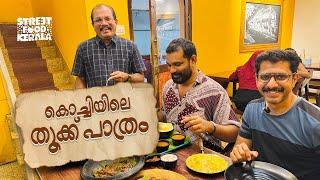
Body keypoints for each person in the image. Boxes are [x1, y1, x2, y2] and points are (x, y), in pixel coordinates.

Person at [230, 50, 320, 179]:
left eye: (281, 76)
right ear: (256, 78)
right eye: (265, 77)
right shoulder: (251, 109)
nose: (271, 84)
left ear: (294, 79)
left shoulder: (315, 122)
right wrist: (239, 154)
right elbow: (240, 148)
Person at [158, 38, 240, 152]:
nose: (171, 70)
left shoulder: (214, 91)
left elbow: (235, 133)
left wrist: (210, 127)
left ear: (193, 60)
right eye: (169, 65)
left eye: (177, 64)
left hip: (204, 157)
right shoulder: (168, 87)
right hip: (172, 151)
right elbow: (165, 115)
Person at [72, 4, 146, 88]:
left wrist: (127, 77)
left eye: (107, 19)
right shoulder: (83, 48)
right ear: (93, 25)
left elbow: (141, 77)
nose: (103, 23)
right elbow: (80, 79)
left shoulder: (130, 46)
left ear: (115, 21)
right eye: (98, 20)